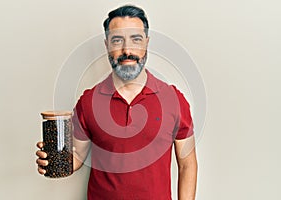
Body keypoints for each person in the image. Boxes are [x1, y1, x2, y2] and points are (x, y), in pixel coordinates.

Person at [36, 5, 197, 200]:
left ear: (147, 42)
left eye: (136, 39)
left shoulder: (174, 100)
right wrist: (55, 161)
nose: (127, 50)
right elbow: (78, 154)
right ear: (107, 45)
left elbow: (187, 162)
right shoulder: (88, 102)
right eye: (117, 40)